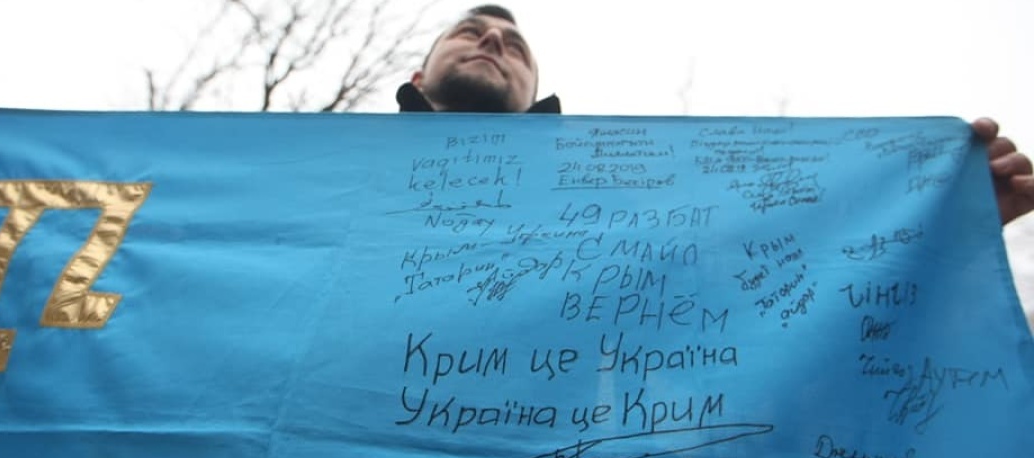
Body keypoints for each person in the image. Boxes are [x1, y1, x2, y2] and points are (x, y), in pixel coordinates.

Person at [397, 5, 1034, 229]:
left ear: (537, 96)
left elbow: (762, 294)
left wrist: (943, 223)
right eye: (470, 32)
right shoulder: (335, 180)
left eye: (515, 48)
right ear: (419, 78)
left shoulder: (601, 209)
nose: (493, 41)